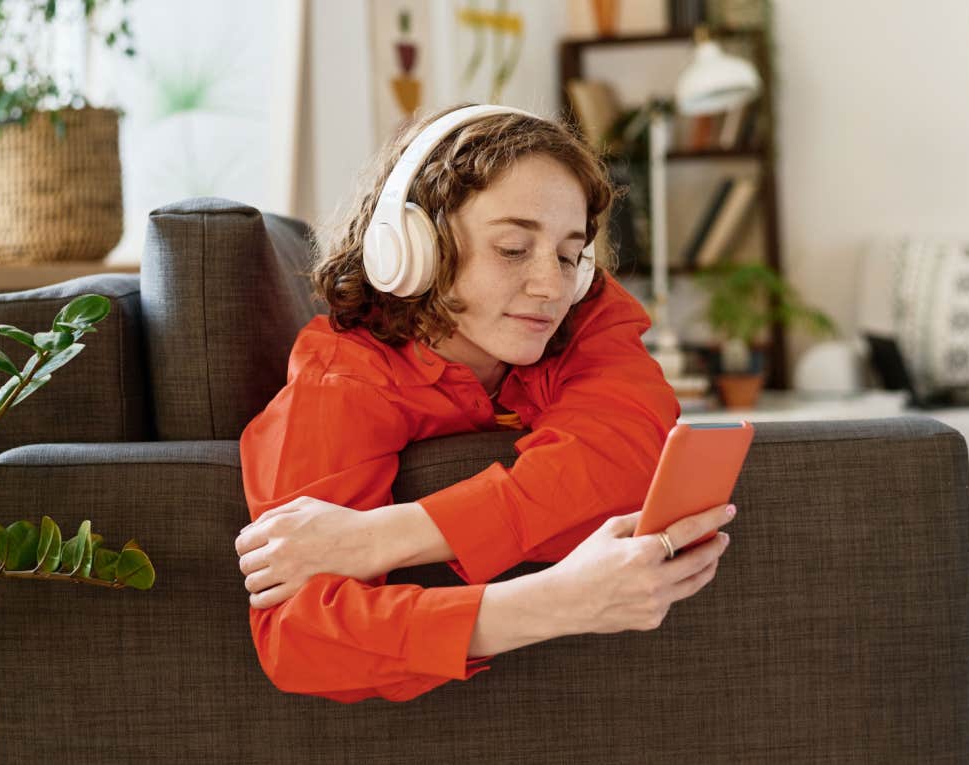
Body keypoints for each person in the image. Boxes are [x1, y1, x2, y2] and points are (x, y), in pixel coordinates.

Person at [234, 103, 735, 703]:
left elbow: (626, 455)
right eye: (513, 249)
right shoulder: (340, 381)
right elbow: (300, 640)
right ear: (413, 247)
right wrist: (551, 603)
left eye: (569, 253)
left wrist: (386, 535)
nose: (551, 285)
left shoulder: (587, 313)